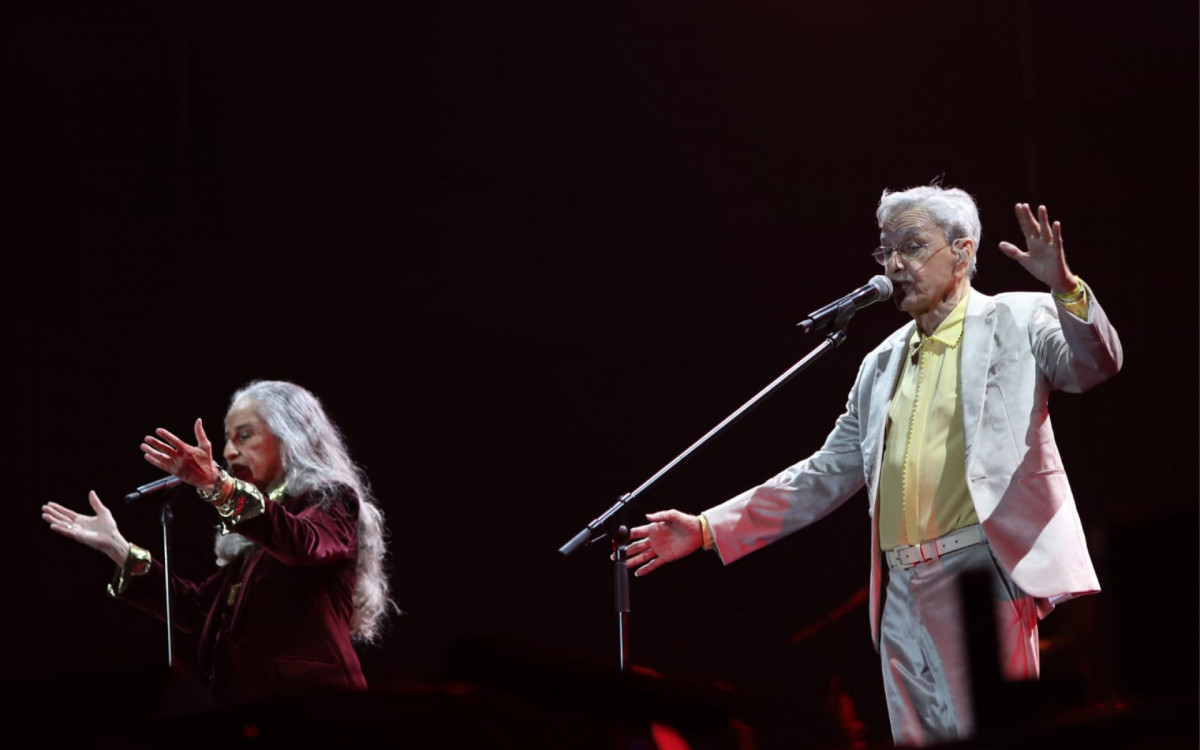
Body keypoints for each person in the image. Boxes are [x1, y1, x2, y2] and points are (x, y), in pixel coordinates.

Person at [620, 185, 1123, 747]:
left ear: (962, 251)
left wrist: (1064, 287)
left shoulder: (1018, 316)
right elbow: (826, 472)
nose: (896, 262)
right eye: (886, 250)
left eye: (913, 244)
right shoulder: (878, 363)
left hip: (981, 573)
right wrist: (710, 528)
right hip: (899, 590)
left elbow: (1094, 364)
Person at [41, 379, 396, 708]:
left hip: (315, 711)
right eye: (227, 439)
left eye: (244, 436)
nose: (228, 451)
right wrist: (117, 548)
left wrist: (219, 486)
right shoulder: (256, 538)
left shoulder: (331, 500)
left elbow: (302, 543)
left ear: (293, 434)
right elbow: (196, 610)